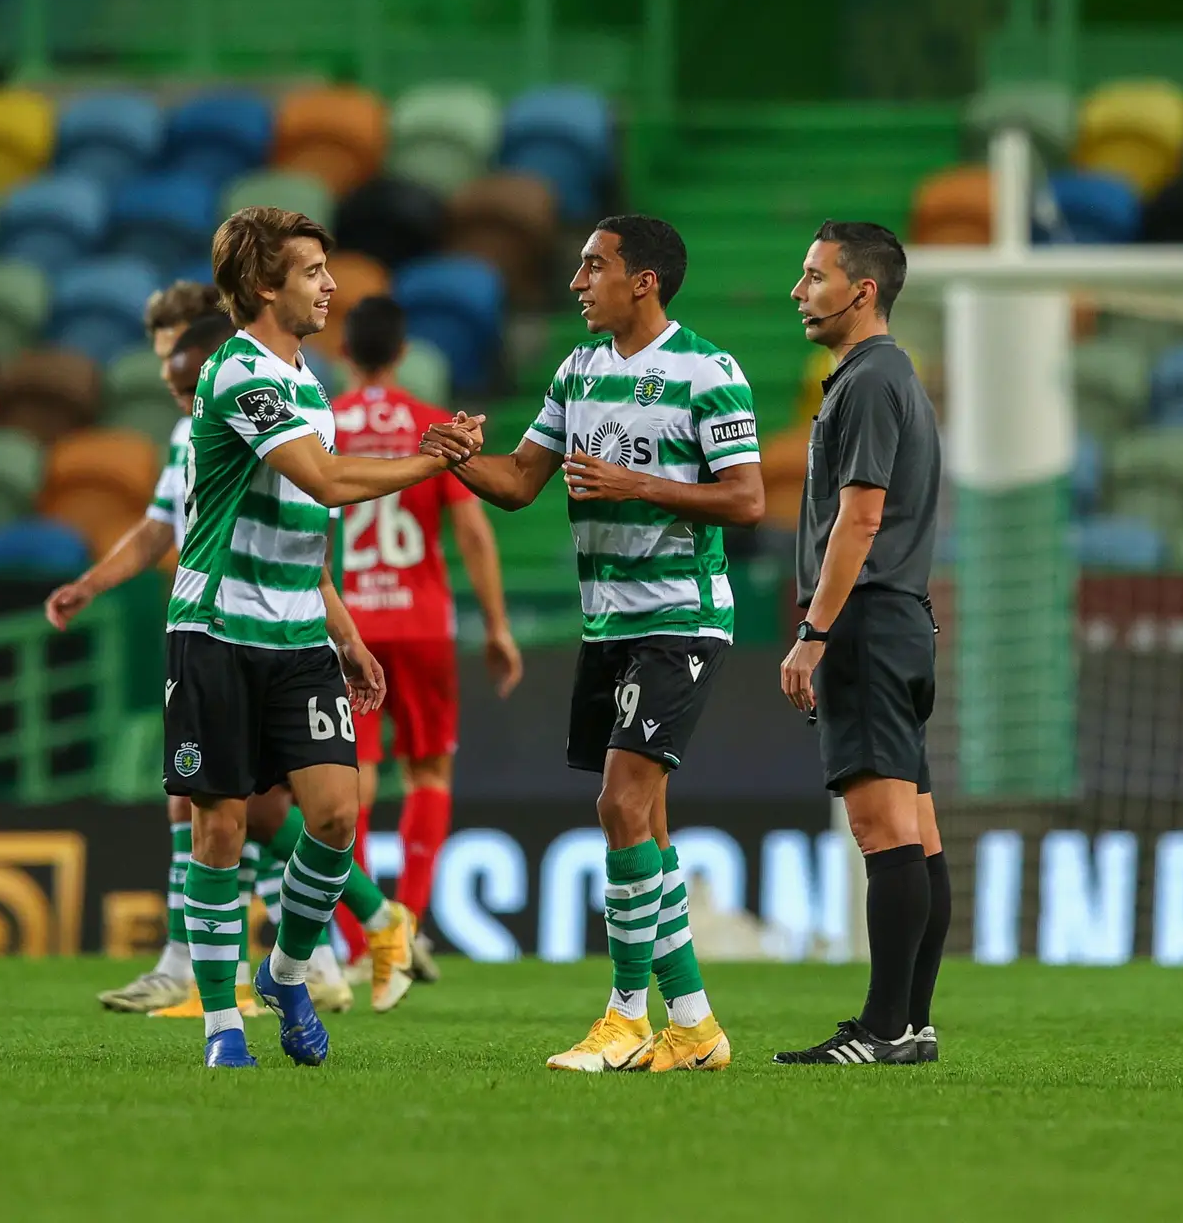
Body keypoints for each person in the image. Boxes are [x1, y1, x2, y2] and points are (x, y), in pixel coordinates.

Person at [426, 215, 763, 1073]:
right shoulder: (576, 371)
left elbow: (748, 500)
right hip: (608, 619)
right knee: (642, 815)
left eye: (594, 266)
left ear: (642, 280)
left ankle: (623, 1017)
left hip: (680, 614)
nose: (577, 282)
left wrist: (634, 484)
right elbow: (518, 482)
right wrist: (454, 457)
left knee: (618, 805)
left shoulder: (708, 372)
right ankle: (693, 1025)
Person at [165, 206, 483, 1068]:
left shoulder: (309, 382)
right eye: (312, 272)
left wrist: (345, 632)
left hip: (299, 631)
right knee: (221, 830)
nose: (331, 286)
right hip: (219, 628)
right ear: (266, 285)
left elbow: (304, 526)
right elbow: (328, 479)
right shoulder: (241, 374)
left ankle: (283, 972)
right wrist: (435, 458)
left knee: (337, 817)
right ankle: (222, 1027)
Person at [51, 306, 354, 1016]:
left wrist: (344, 636)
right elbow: (162, 528)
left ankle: (321, 949)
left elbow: (311, 549)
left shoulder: (279, 412)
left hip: (273, 632)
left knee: (290, 813)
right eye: (171, 385)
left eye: (183, 378)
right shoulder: (195, 431)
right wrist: (92, 583)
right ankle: (216, 979)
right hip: (216, 630)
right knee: (212, 811)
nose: (180, 398)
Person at [774, 220, 948, 1067]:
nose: (799, 292)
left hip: (869, 622)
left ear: (862, 290)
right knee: (916, 829)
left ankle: (884, 1030)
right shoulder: (885, 376)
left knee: (885, 835)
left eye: (813, 277)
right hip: (897, 620)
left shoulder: (871, 381)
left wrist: (815, 632)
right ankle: (910, 1024)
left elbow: (863, 514)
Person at [328, 295, 523, 980]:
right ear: (404, 353)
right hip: (422, 624)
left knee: (352, 780)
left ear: (344, 352)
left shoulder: (325, 424)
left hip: (348, 622)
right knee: (428, 772)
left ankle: (362, 944)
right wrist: (497, 626)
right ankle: (405, 926)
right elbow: (472, 529)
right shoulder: (430, 426)